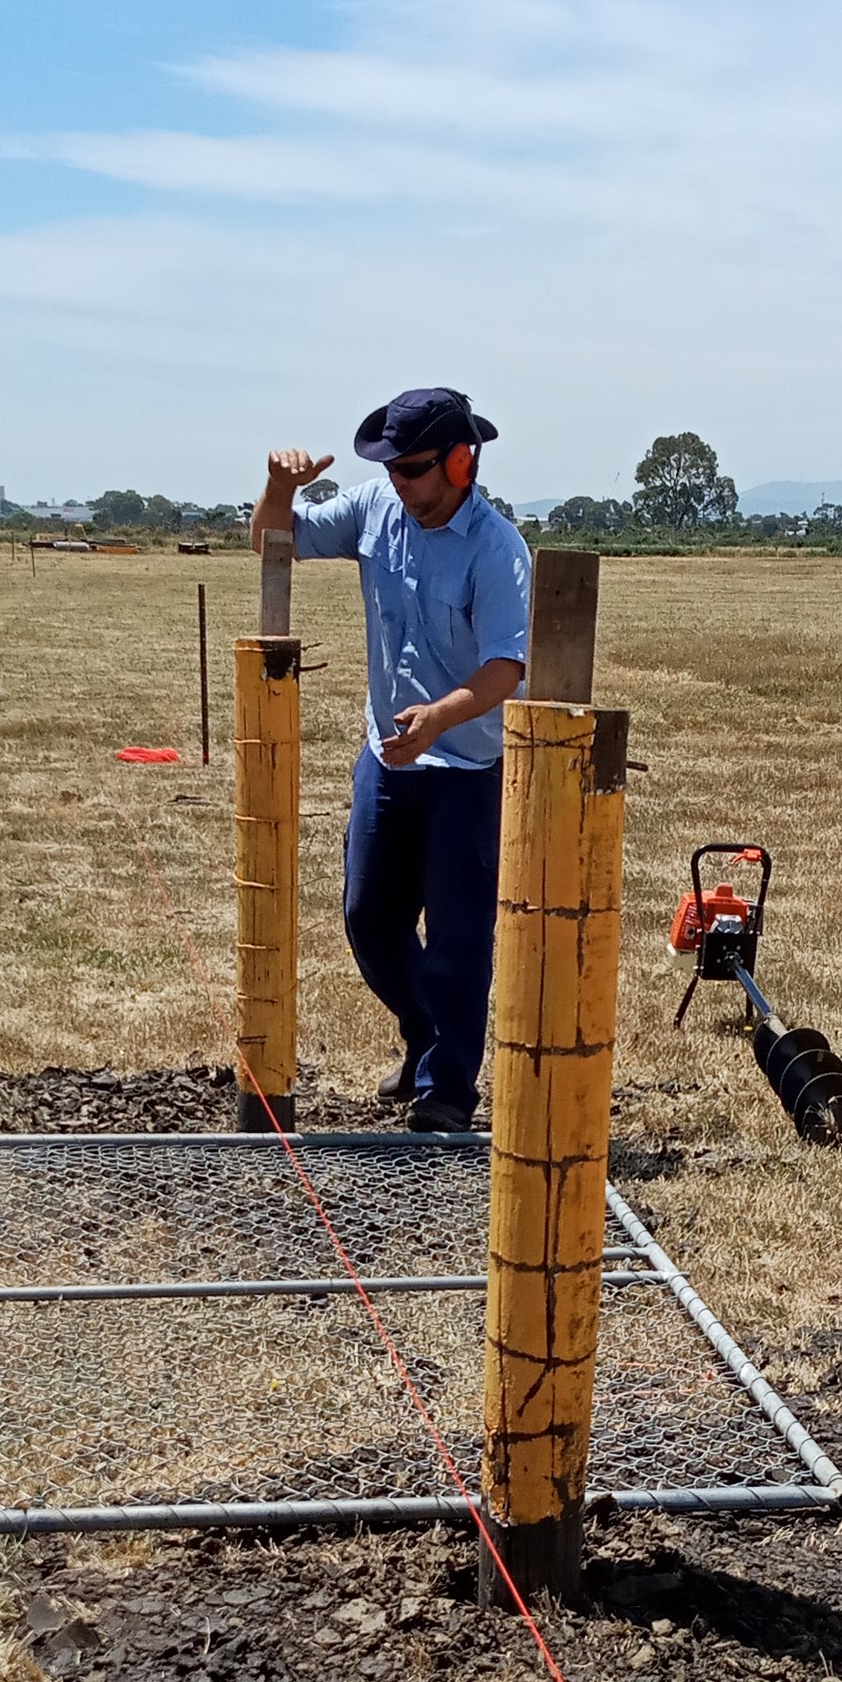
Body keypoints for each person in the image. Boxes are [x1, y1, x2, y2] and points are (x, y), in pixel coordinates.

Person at [251, 387, 530, 1132]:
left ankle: (447, 1092)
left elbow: (506, 668)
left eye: (412, 469)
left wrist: (440, 717)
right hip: (388, 758)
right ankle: (426, 1033)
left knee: (459, 940)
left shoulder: (498, 549)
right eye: (392, 468)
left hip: (467, 767)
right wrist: (280, 486)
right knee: (368, 918)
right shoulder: (377, 509)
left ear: (460, 463)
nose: (398, 482)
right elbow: (274, 540)